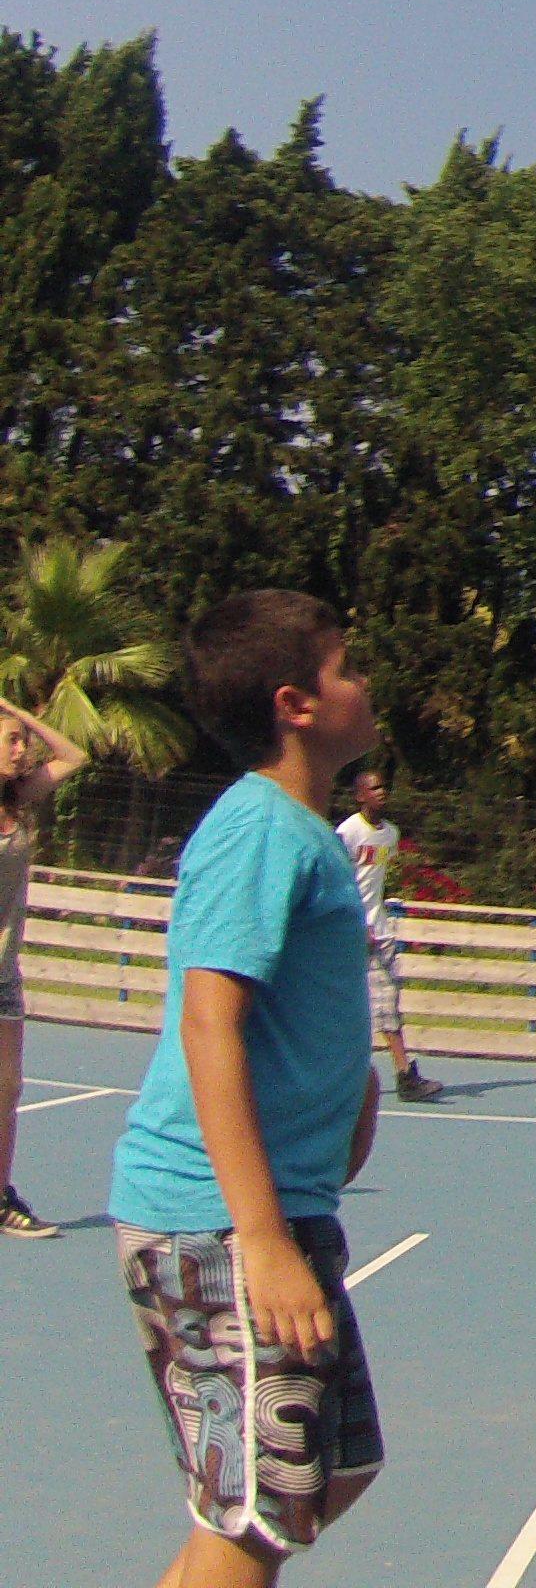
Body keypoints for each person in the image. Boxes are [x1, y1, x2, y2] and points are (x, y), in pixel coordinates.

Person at [111, 591, 391, 1588]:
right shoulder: (258, 829)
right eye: (346, 666)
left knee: (326, 1475)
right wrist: (262, 1239)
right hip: (218, 1224)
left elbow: (286, 1012)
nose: (366, 682)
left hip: (282, 1207)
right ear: (295, 704)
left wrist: (344, 1094)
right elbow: (208, 1020)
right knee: (261, 1513)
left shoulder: (305, 833)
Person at [1, 691, 90, 1236]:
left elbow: (75, 755)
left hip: (4, 972)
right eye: (11, 741)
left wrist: (19, 711)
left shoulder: (21, 799)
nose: (23, 748)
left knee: (7, 1090)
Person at [330, 771, 441, 1105]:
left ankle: (405, 1075)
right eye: (373, 788)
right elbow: (338, 882)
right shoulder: (347, 833)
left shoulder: (390, 835)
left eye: (383, 787)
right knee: (347, 1007)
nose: (382, 792)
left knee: (387, 1001)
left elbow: (373, 884)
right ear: (359, 796)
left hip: (380, 932)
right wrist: (356, 923)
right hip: (352, 933)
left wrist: (376, 922)